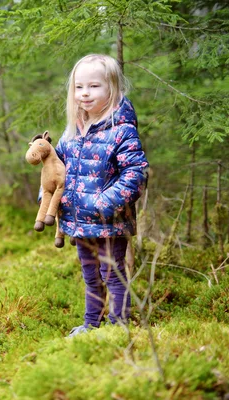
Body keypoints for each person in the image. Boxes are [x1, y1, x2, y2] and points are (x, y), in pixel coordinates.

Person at [52, 54, 149, 337]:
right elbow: (56, 169)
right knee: (91, 277)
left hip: (110, 221)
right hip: (80, 221)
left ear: (113, 89)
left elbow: (135, 173)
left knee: (113, 275)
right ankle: (91, 325)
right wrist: (49, 200)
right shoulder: (72, 131)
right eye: (79, 87)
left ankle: (118, 328)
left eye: (94, 86)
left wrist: (104, 203)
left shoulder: (121, 130)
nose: (84, 93)